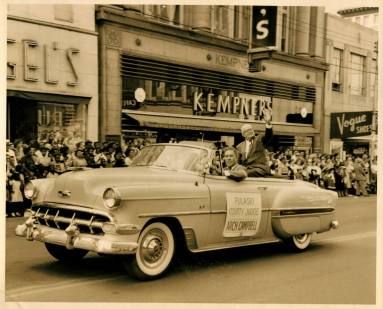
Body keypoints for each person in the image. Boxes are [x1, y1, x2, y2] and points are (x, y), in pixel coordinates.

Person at [236, 107, 273, 177]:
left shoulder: (259, 139)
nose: (250, 131)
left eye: (251, 129)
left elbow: (268, 135)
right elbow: (238, 162)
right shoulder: (239, 146)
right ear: (243, 134)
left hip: (260, 169)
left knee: (242, 173)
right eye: (247, 131)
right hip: (246, 169)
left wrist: (268, 122)